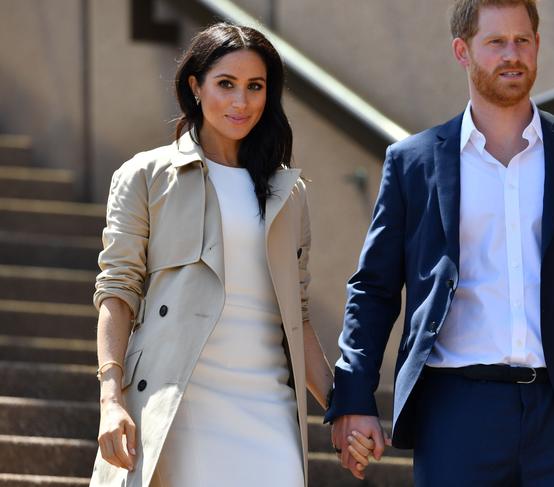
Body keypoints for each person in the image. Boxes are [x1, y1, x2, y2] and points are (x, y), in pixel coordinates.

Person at [326, 1, 554, 485]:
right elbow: (373, 289)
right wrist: (354, 397)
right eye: (496, 42)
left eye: (523, 40)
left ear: (537, 45)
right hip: (455, 411)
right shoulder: (412, 162)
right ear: (463, 51)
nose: (512, 54)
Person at [88, 23, 356, 487]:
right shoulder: (146, 176)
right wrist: (111, 398)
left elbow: (300, 317)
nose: (241, 102)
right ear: (195, 87)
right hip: (181, 405)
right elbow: (117, 290)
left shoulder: (287, 194)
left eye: (255, 87)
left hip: (268, 407)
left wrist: (343, 407)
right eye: (226, 84)